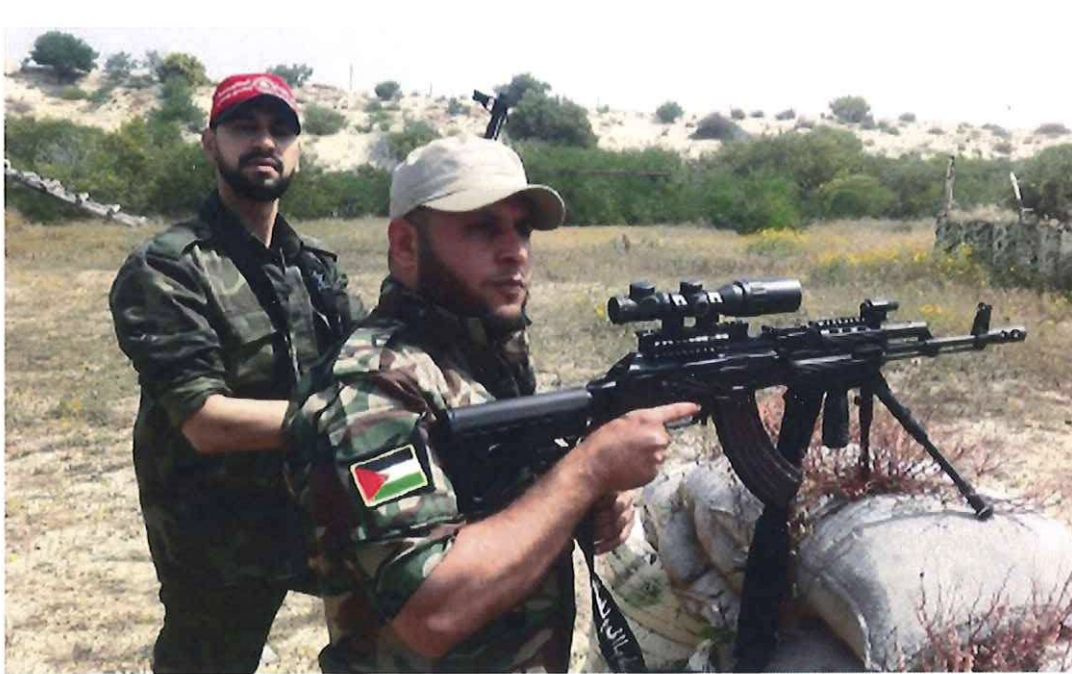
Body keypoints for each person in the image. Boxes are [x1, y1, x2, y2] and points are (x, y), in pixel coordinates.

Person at [284, 134, 698, 672]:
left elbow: (505, 510)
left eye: (521, 229)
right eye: (482, 228)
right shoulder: (370, 387)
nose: (514, 251)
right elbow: (430, 612)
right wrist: (587, 471)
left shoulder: (482, 355)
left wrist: (582, 507)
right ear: (405, 244)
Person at [109, 72, 364, 673]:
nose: (265, 142)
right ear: (210, 143)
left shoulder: (313, 265)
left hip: (315, 504)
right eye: (244, 127)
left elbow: (366, 355)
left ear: (298, 149)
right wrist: (361, 418)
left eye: (280, 130)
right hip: (215, 530)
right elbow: (205, 421)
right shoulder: (168, 268)